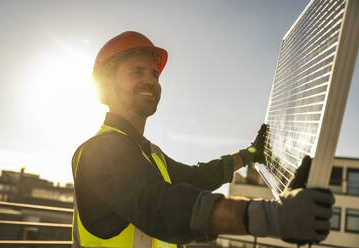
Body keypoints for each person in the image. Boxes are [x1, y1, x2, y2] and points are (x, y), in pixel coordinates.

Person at [71, 31, 334, 248]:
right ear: (105, 86)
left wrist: (247, 156)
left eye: (154, 74)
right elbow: (156, 205)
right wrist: (271, 217)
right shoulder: (98, 151)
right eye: (136, 72)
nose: (150, 81)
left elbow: (196, 178)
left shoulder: (149, 154)